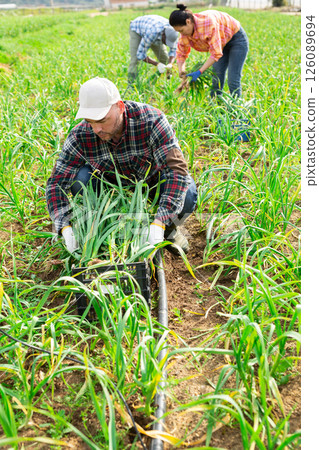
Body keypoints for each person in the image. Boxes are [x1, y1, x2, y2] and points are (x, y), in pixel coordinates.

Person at [46, 77, 197, 256]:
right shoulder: (80, 135)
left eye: (102, 120)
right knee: (81, 179)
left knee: (187, 194)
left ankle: (168, 230)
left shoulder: (151, 120)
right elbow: (56, 184)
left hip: (152, 183)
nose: (96, 129)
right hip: (110, 189)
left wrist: (160, 222)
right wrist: (65, 227)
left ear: (120, 107)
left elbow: (177, 171)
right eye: (90, 121)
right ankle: (102, 226)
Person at [169, 4, 249, 98]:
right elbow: (181, 53)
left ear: (188, 21)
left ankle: (236, 108)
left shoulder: (208, 24)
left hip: (236, 39)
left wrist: (200, 71)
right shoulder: (185, 34)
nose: (181, 34)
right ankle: (215, 105)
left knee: (233, 78)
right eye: (178, 31)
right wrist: (181, 70)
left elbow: (216, 54)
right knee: (216, 77)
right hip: (221, 43)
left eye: (181, 30)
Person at [128, 15, 179, 82]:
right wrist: (157, 64)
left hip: (153, 30)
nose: (167, 44)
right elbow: (140, 55)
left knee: (165, 59)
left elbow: (173, 51)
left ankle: (168, 82)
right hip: (136, 29)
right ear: (163, 35)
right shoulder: (152, 33)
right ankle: (131, 84)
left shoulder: (173, 32)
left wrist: (170, 63)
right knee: (135, 60)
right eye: (166, 42)